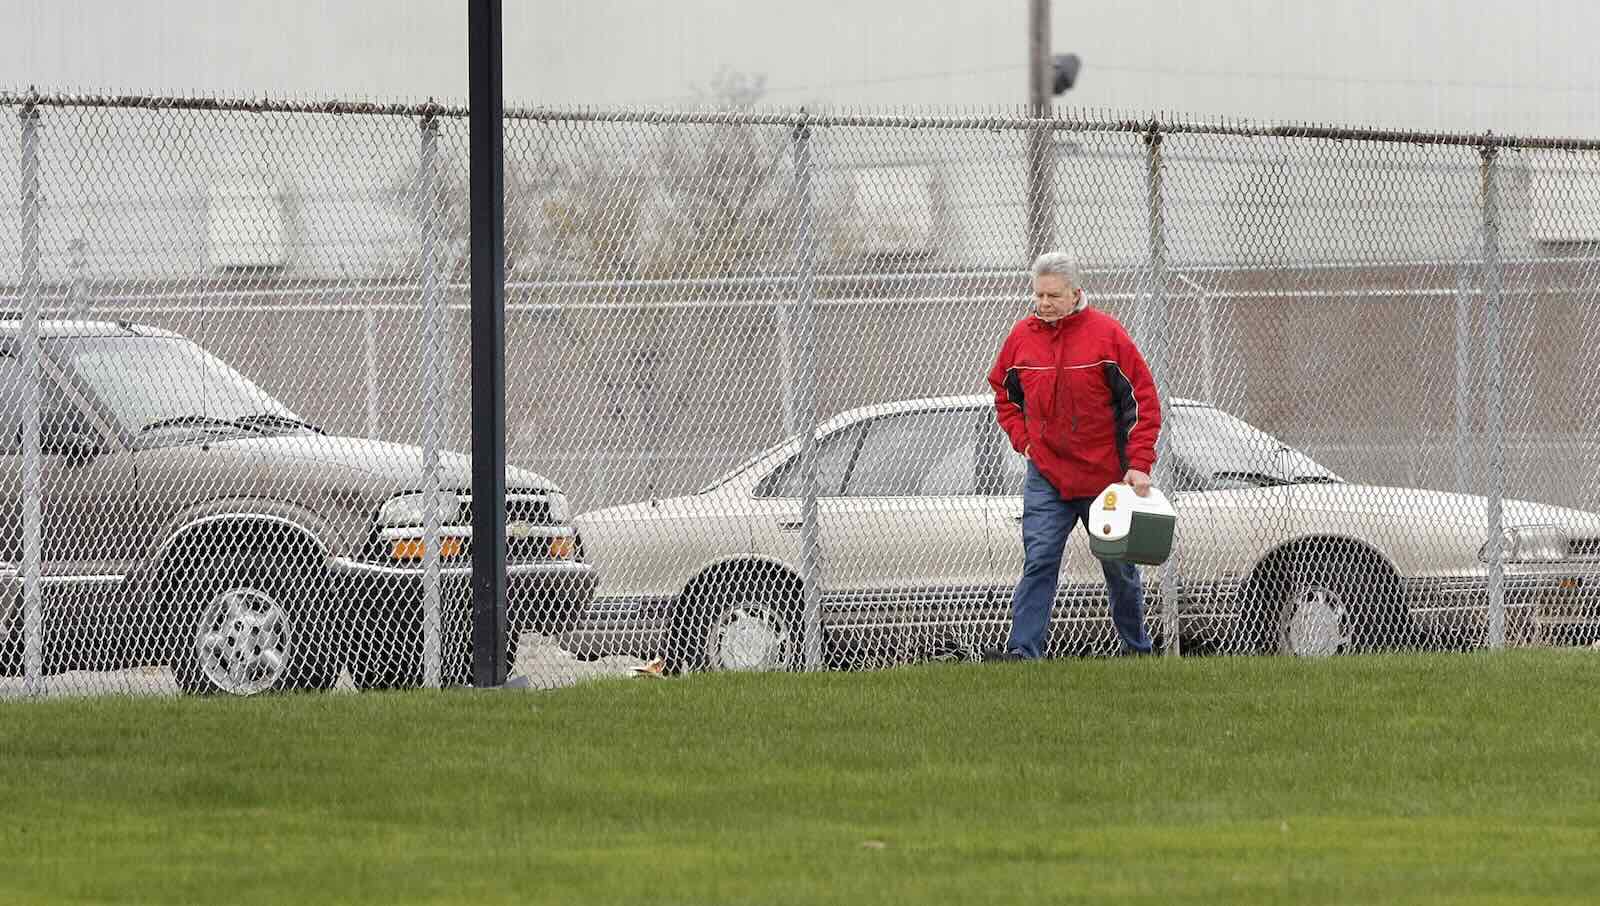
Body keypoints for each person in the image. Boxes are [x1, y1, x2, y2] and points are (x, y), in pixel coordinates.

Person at [986, 250, 1162, 660]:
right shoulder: (1021, 338)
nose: (1044, 304)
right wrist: (1025, 442)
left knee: (1119, 567)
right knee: (1040, 559)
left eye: (1053, 296)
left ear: (1076, 293)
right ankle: (1023, 653)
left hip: (1105, 478)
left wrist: (1138, 465)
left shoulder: (1107, 336)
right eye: (1038, 295)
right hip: (1047, 475)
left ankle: (1137, 651)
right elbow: (1004, 395)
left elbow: (1142, 401)